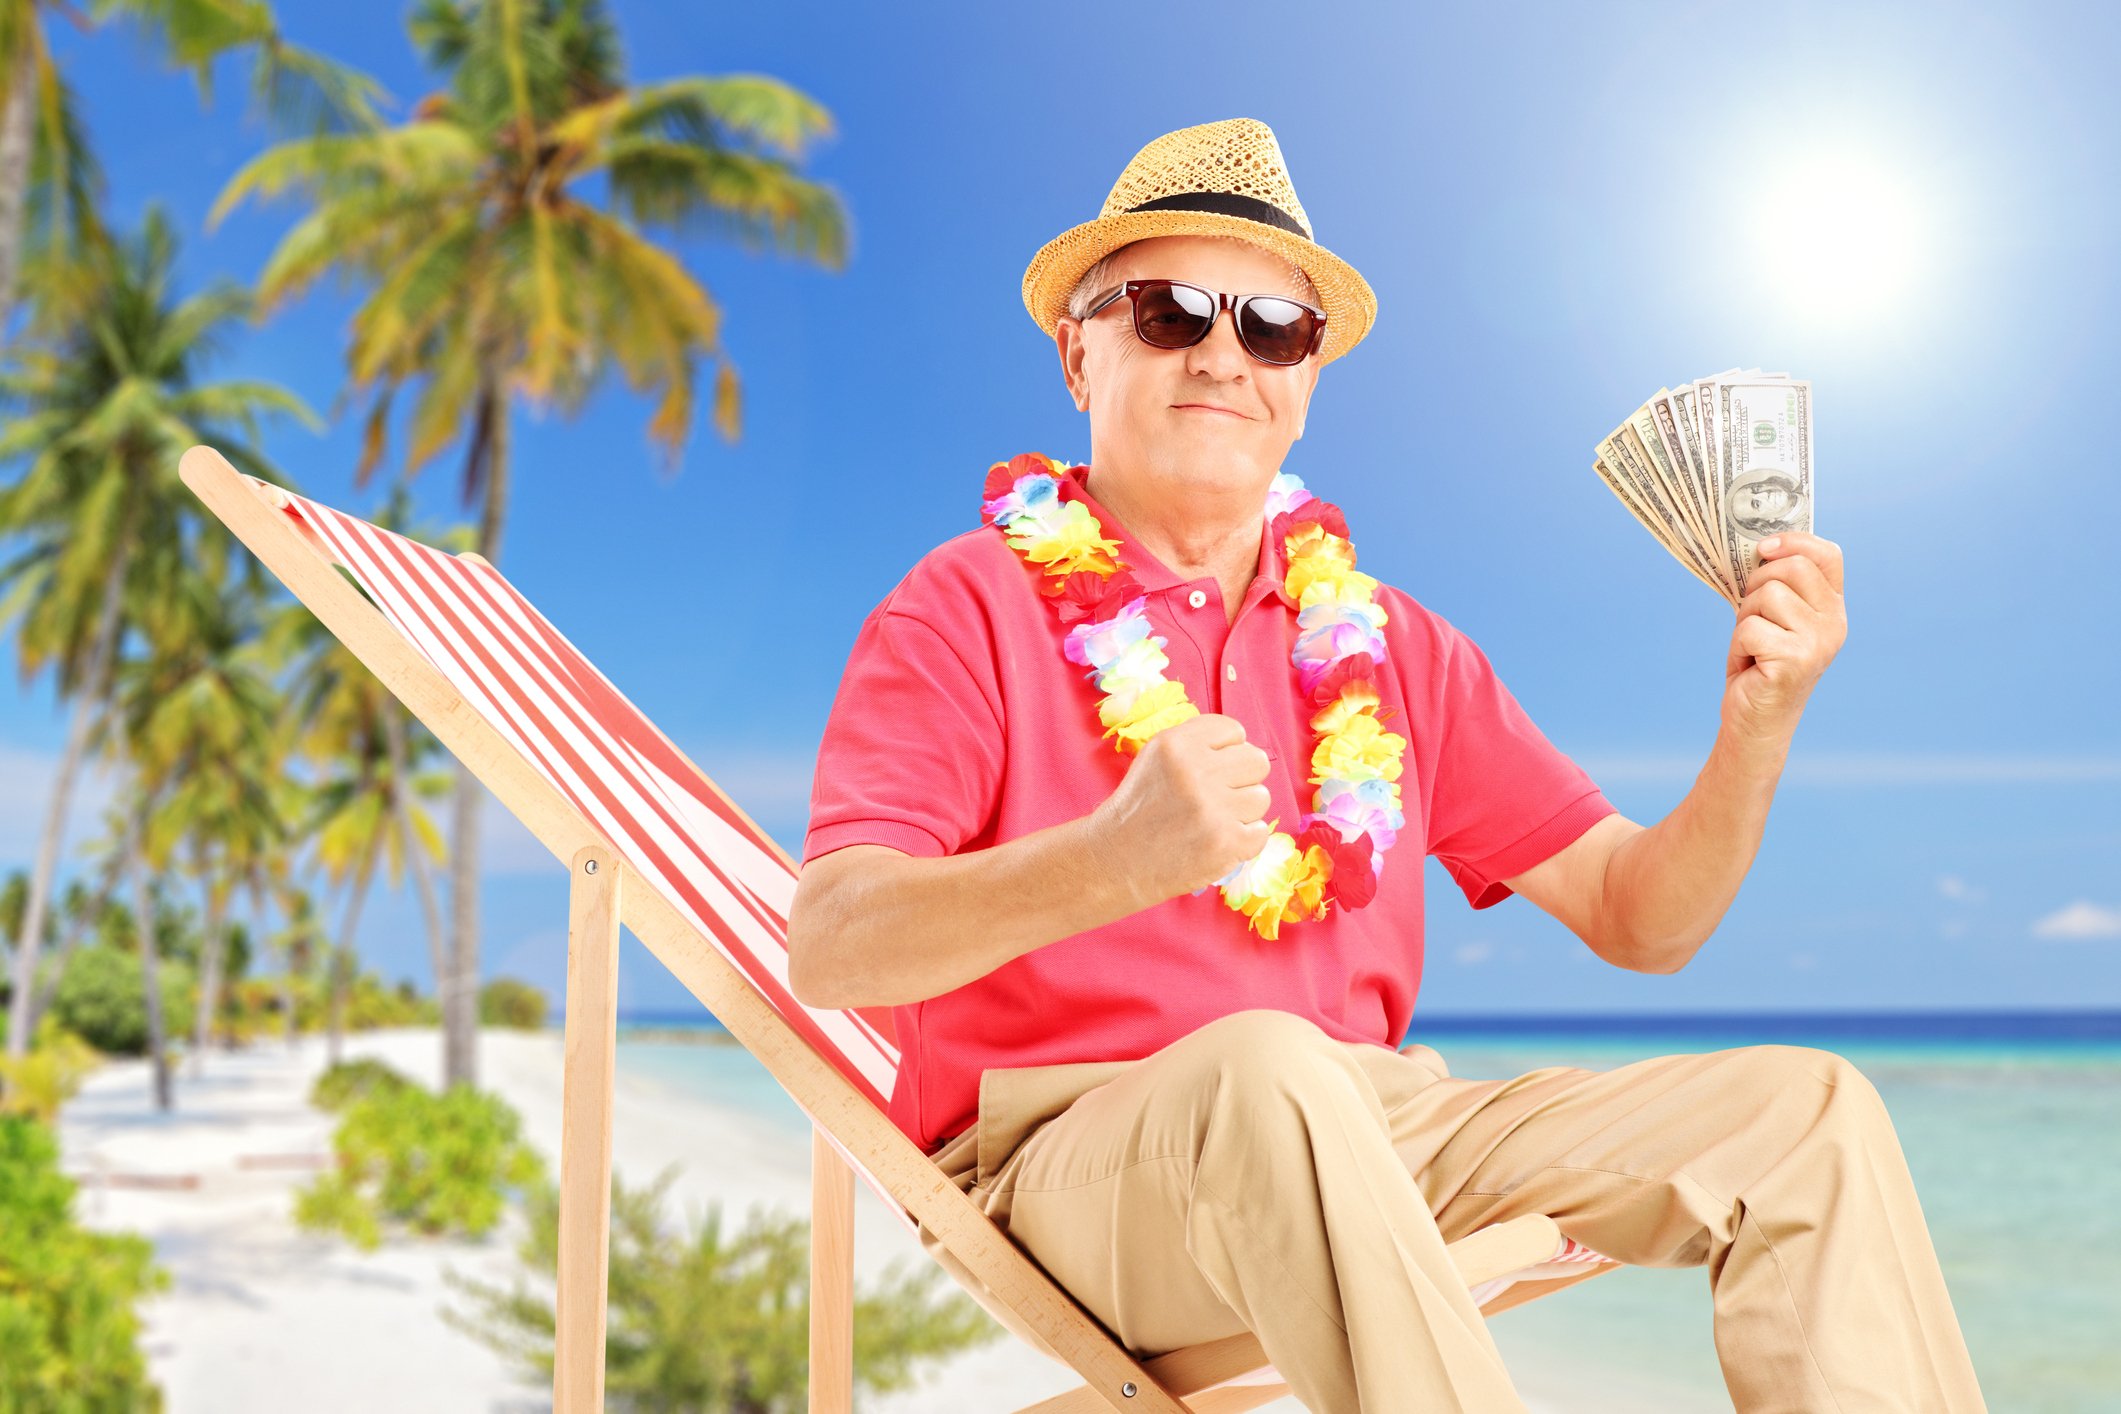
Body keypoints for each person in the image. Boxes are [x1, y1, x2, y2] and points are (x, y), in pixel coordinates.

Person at [785, 117, 1986, 1413]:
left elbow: (1643, 918)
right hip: (1071, 1157)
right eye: (1168, 308)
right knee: (1267, 1069)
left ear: (1305, 378)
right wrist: (1108, 860)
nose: (1221, 356)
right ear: (1078, 349)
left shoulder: (1390, 643)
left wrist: (1758, 722)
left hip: (1374, 1122)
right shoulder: (964, 605)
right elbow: (835, 943)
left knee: (1808, 1113)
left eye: (1270, 328)